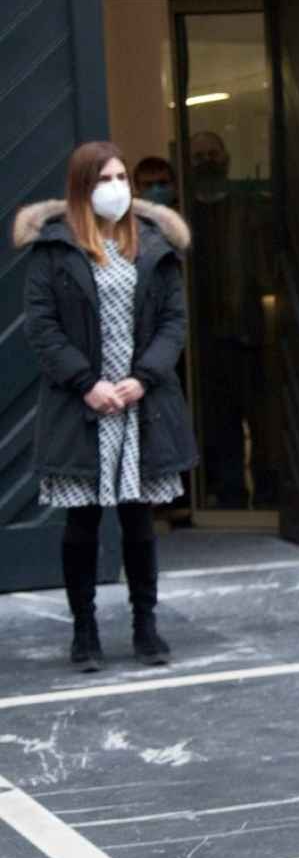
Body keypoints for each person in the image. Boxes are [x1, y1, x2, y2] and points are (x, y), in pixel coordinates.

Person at [17, 142, 198, 670]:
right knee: (84, 525)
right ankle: (85, 632)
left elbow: (173, 322)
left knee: (140, 523)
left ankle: (146, 626)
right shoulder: (54, 249)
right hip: (83, 405)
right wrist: (86, 383)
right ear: (81, 187)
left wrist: (142, 379)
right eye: (105, 178)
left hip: (142, 403)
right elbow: (42, 327)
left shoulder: (154, 244)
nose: (117, 187)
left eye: (122, 176)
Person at [185, 130, 278, 508]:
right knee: (218, 422)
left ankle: (271, 492)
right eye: (198, 155)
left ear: (226, 158)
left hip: (252, 332)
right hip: (203, 339)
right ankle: (229, 494)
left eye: (212, 153)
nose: (207, 160)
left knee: (264, 422)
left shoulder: (251, 208)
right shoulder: (183, 214)